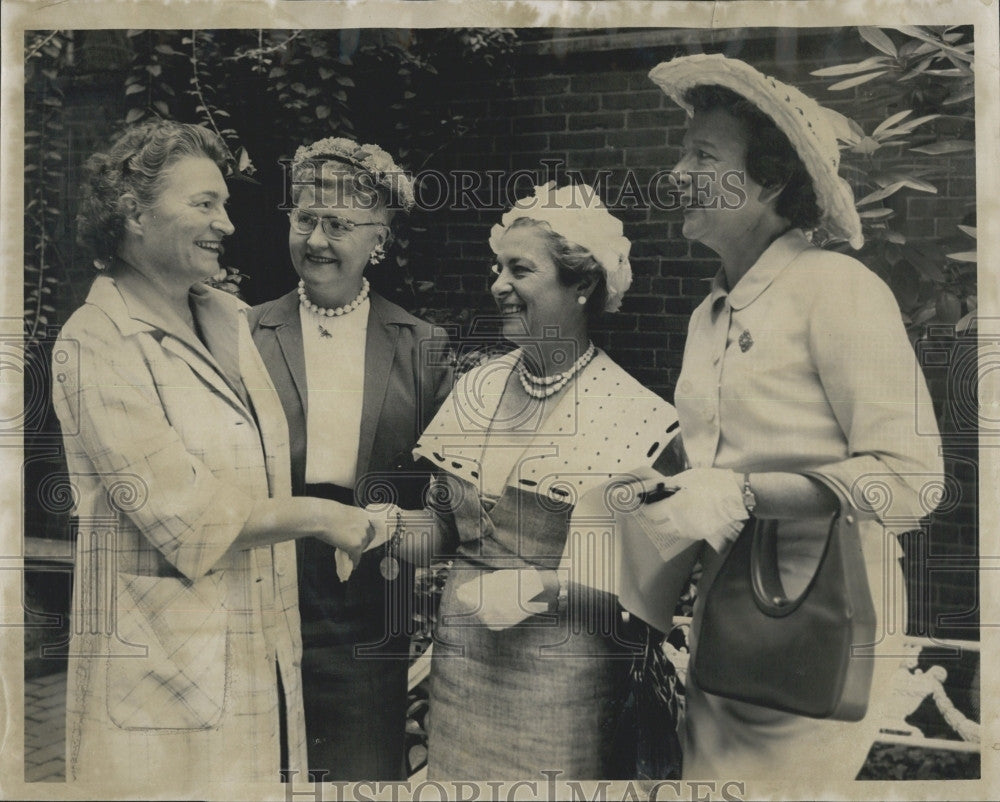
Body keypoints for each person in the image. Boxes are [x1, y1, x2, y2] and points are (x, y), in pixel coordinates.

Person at [640, 54, 945, 782]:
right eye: (683, 151)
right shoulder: (709, 314)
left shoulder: (836, 288)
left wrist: (747, 493)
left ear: (771, 180)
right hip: (728, 623)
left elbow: (911, 480)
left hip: (819, 619)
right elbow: (711, 471)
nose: (676, 172)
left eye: (702, 155)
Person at [51, 120, 374, 785]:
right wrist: (324, 517)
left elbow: (260, 474)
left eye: (224, 204)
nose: (226, 224)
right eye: (204, 203)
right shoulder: (95, 341)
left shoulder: (229, 318)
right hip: (158, 680)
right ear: (132, 211)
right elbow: (189, 519)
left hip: (259, 655)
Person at [385, 182, 682, 779]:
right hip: (460, 680)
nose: (498, 285)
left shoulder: (638, 419)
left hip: (563, 692)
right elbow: (443, 529)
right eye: (497, 268)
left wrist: (541, 591)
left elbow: (652, 598)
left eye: (519, 269)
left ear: (583, 285)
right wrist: (382, 530)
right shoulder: (477, 389)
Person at [248, 137, 453, 780]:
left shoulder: (421, 346)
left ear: (379, 243)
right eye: (305, 218)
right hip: (262, 577)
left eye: (338, 225)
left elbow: (445, 501)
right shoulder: (244, 332)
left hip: (370, 589)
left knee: (360, 773)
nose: (317, 239)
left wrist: (388, 530)